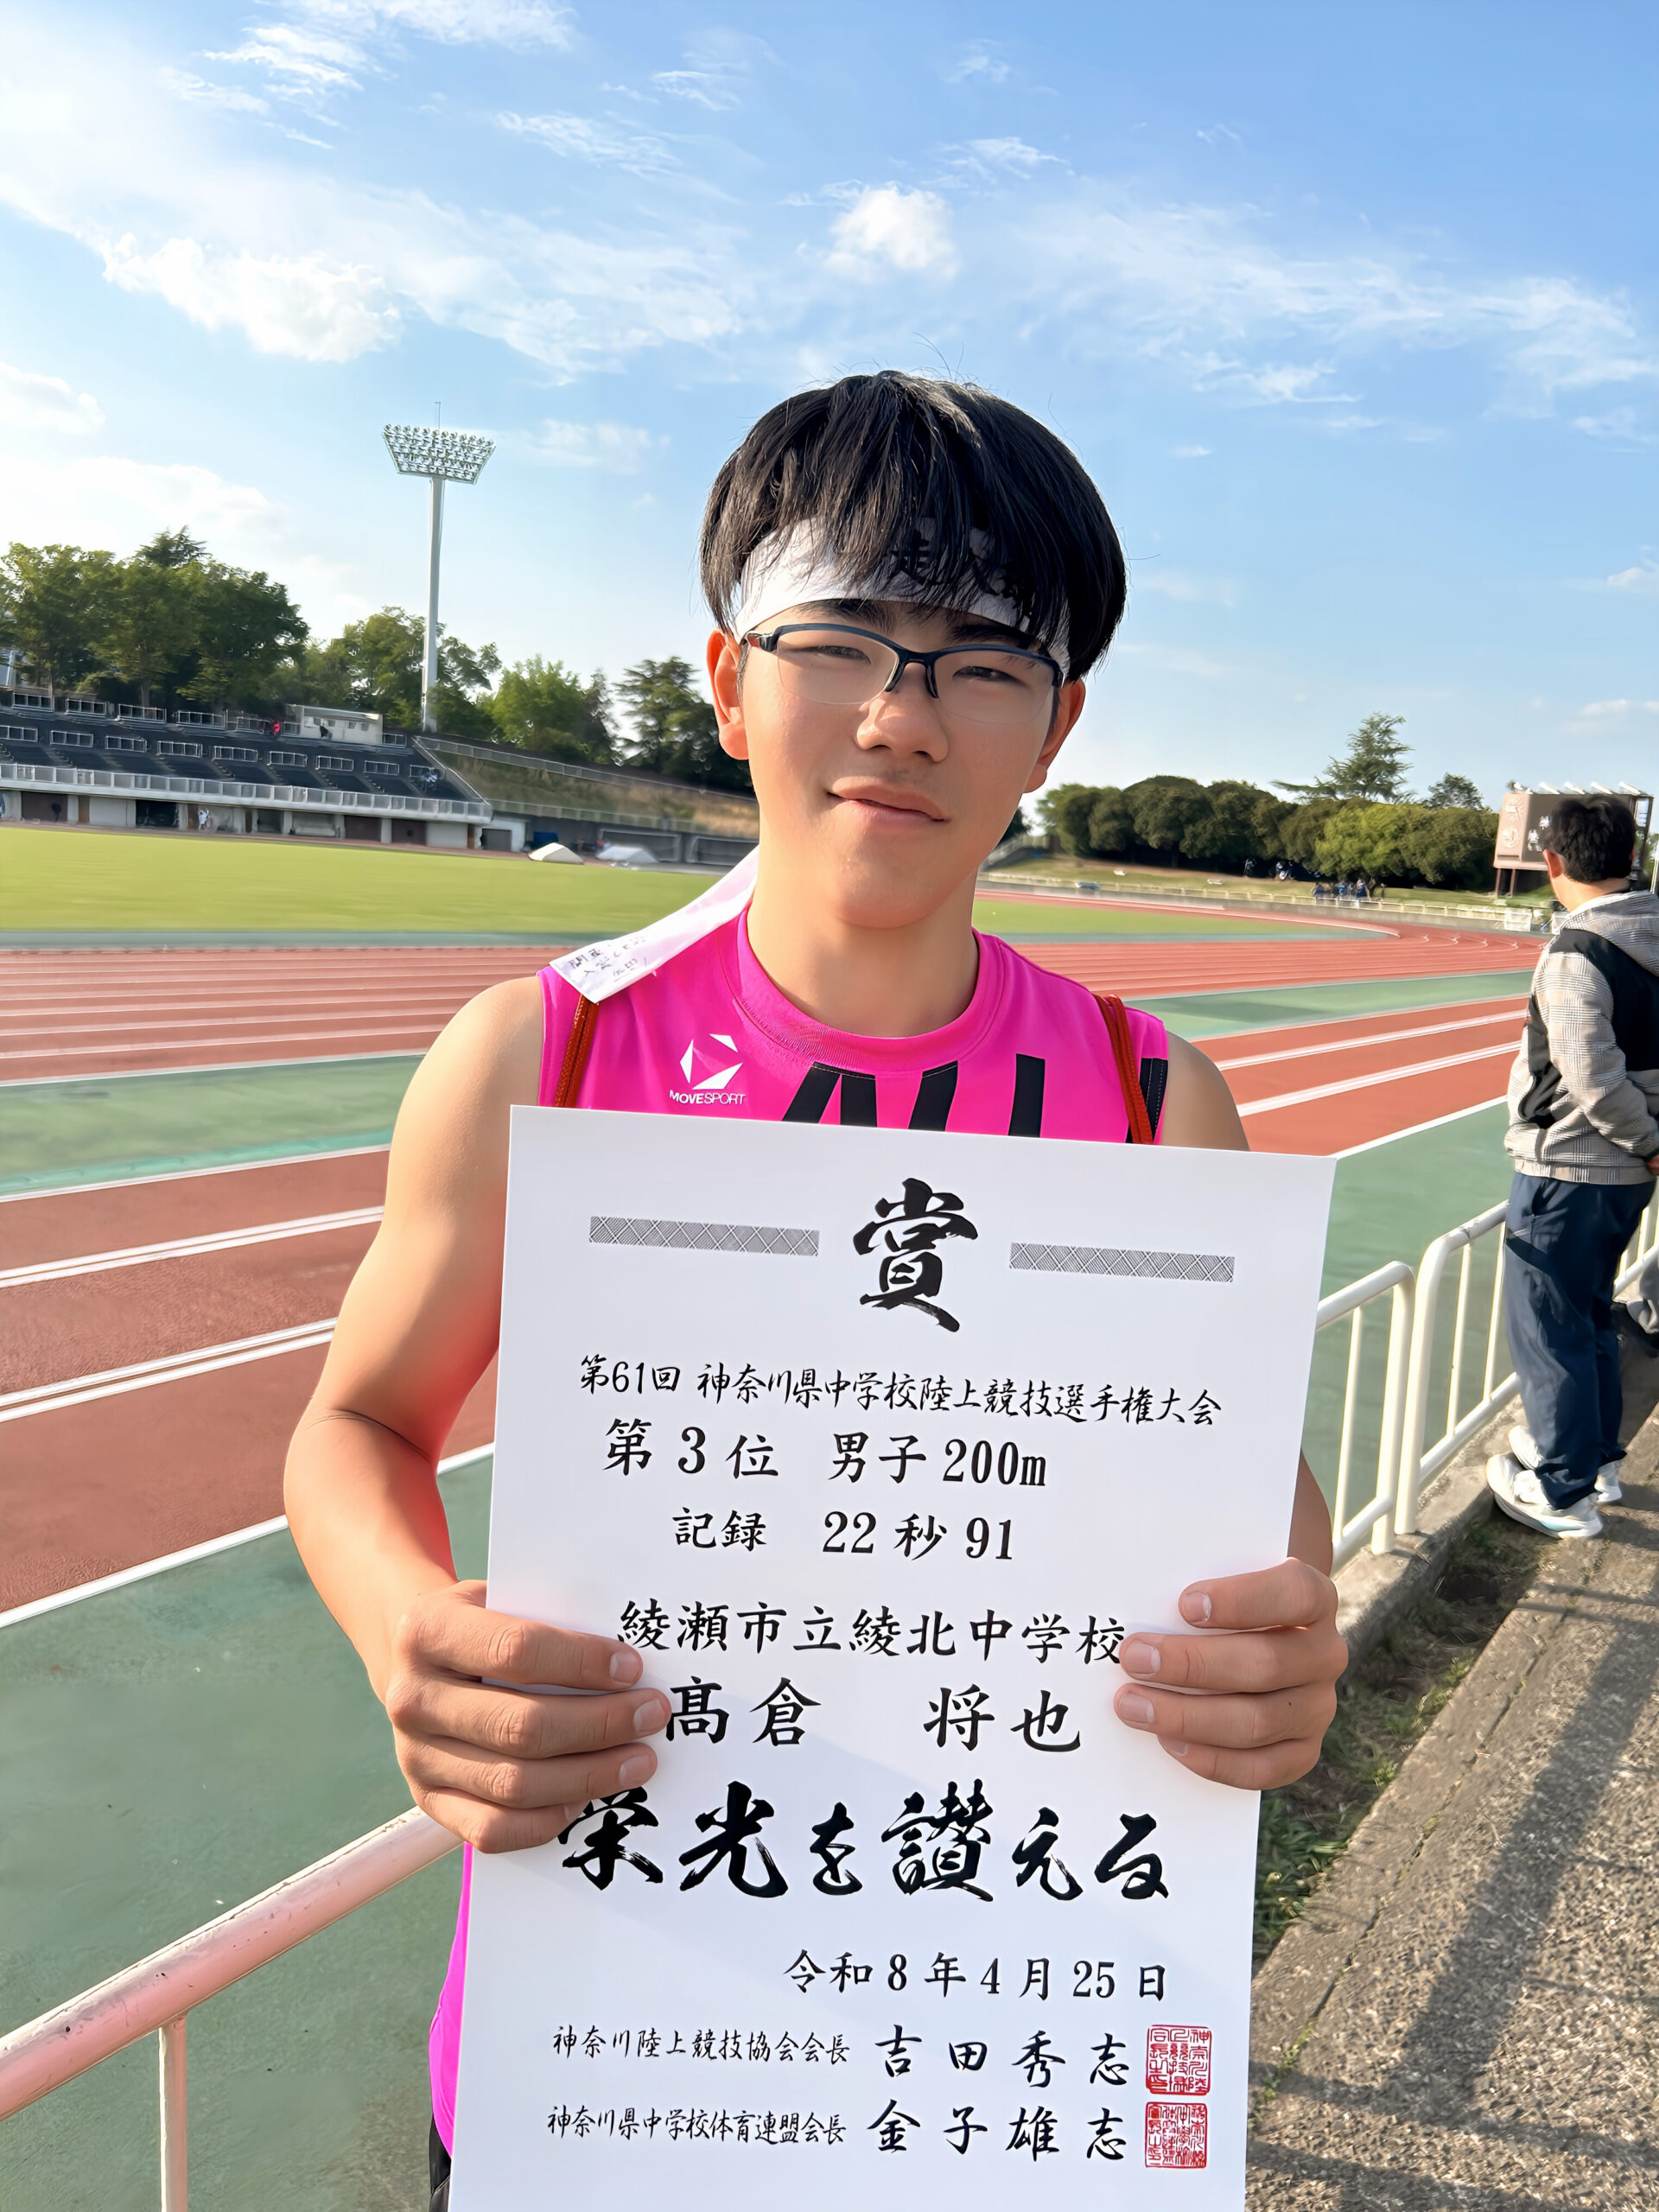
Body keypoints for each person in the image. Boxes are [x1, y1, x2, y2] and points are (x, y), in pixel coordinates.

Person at [282, 372, 1347, 2209]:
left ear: (1058, 727)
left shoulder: (1145, 1095)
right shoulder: (542, 1055)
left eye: (984, 660)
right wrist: (407, 1630)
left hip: (984, 2036)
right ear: (727, 677)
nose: (900, 714)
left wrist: (1284, 1637)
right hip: (605, 2044)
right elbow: (359, 1423)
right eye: (839, 636)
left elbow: (1246, 1492)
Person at [1488, 794, 1659, 1537]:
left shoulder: (1579, 952)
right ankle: (1596, 1460)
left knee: (1551, 1329)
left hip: (1569, 1171)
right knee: (1589, 1317)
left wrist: (1646, 1139)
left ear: (1552, 861)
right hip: (1625, 1180)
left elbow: (1591, 1077)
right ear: (1633, 858)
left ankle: (1563, 1492)